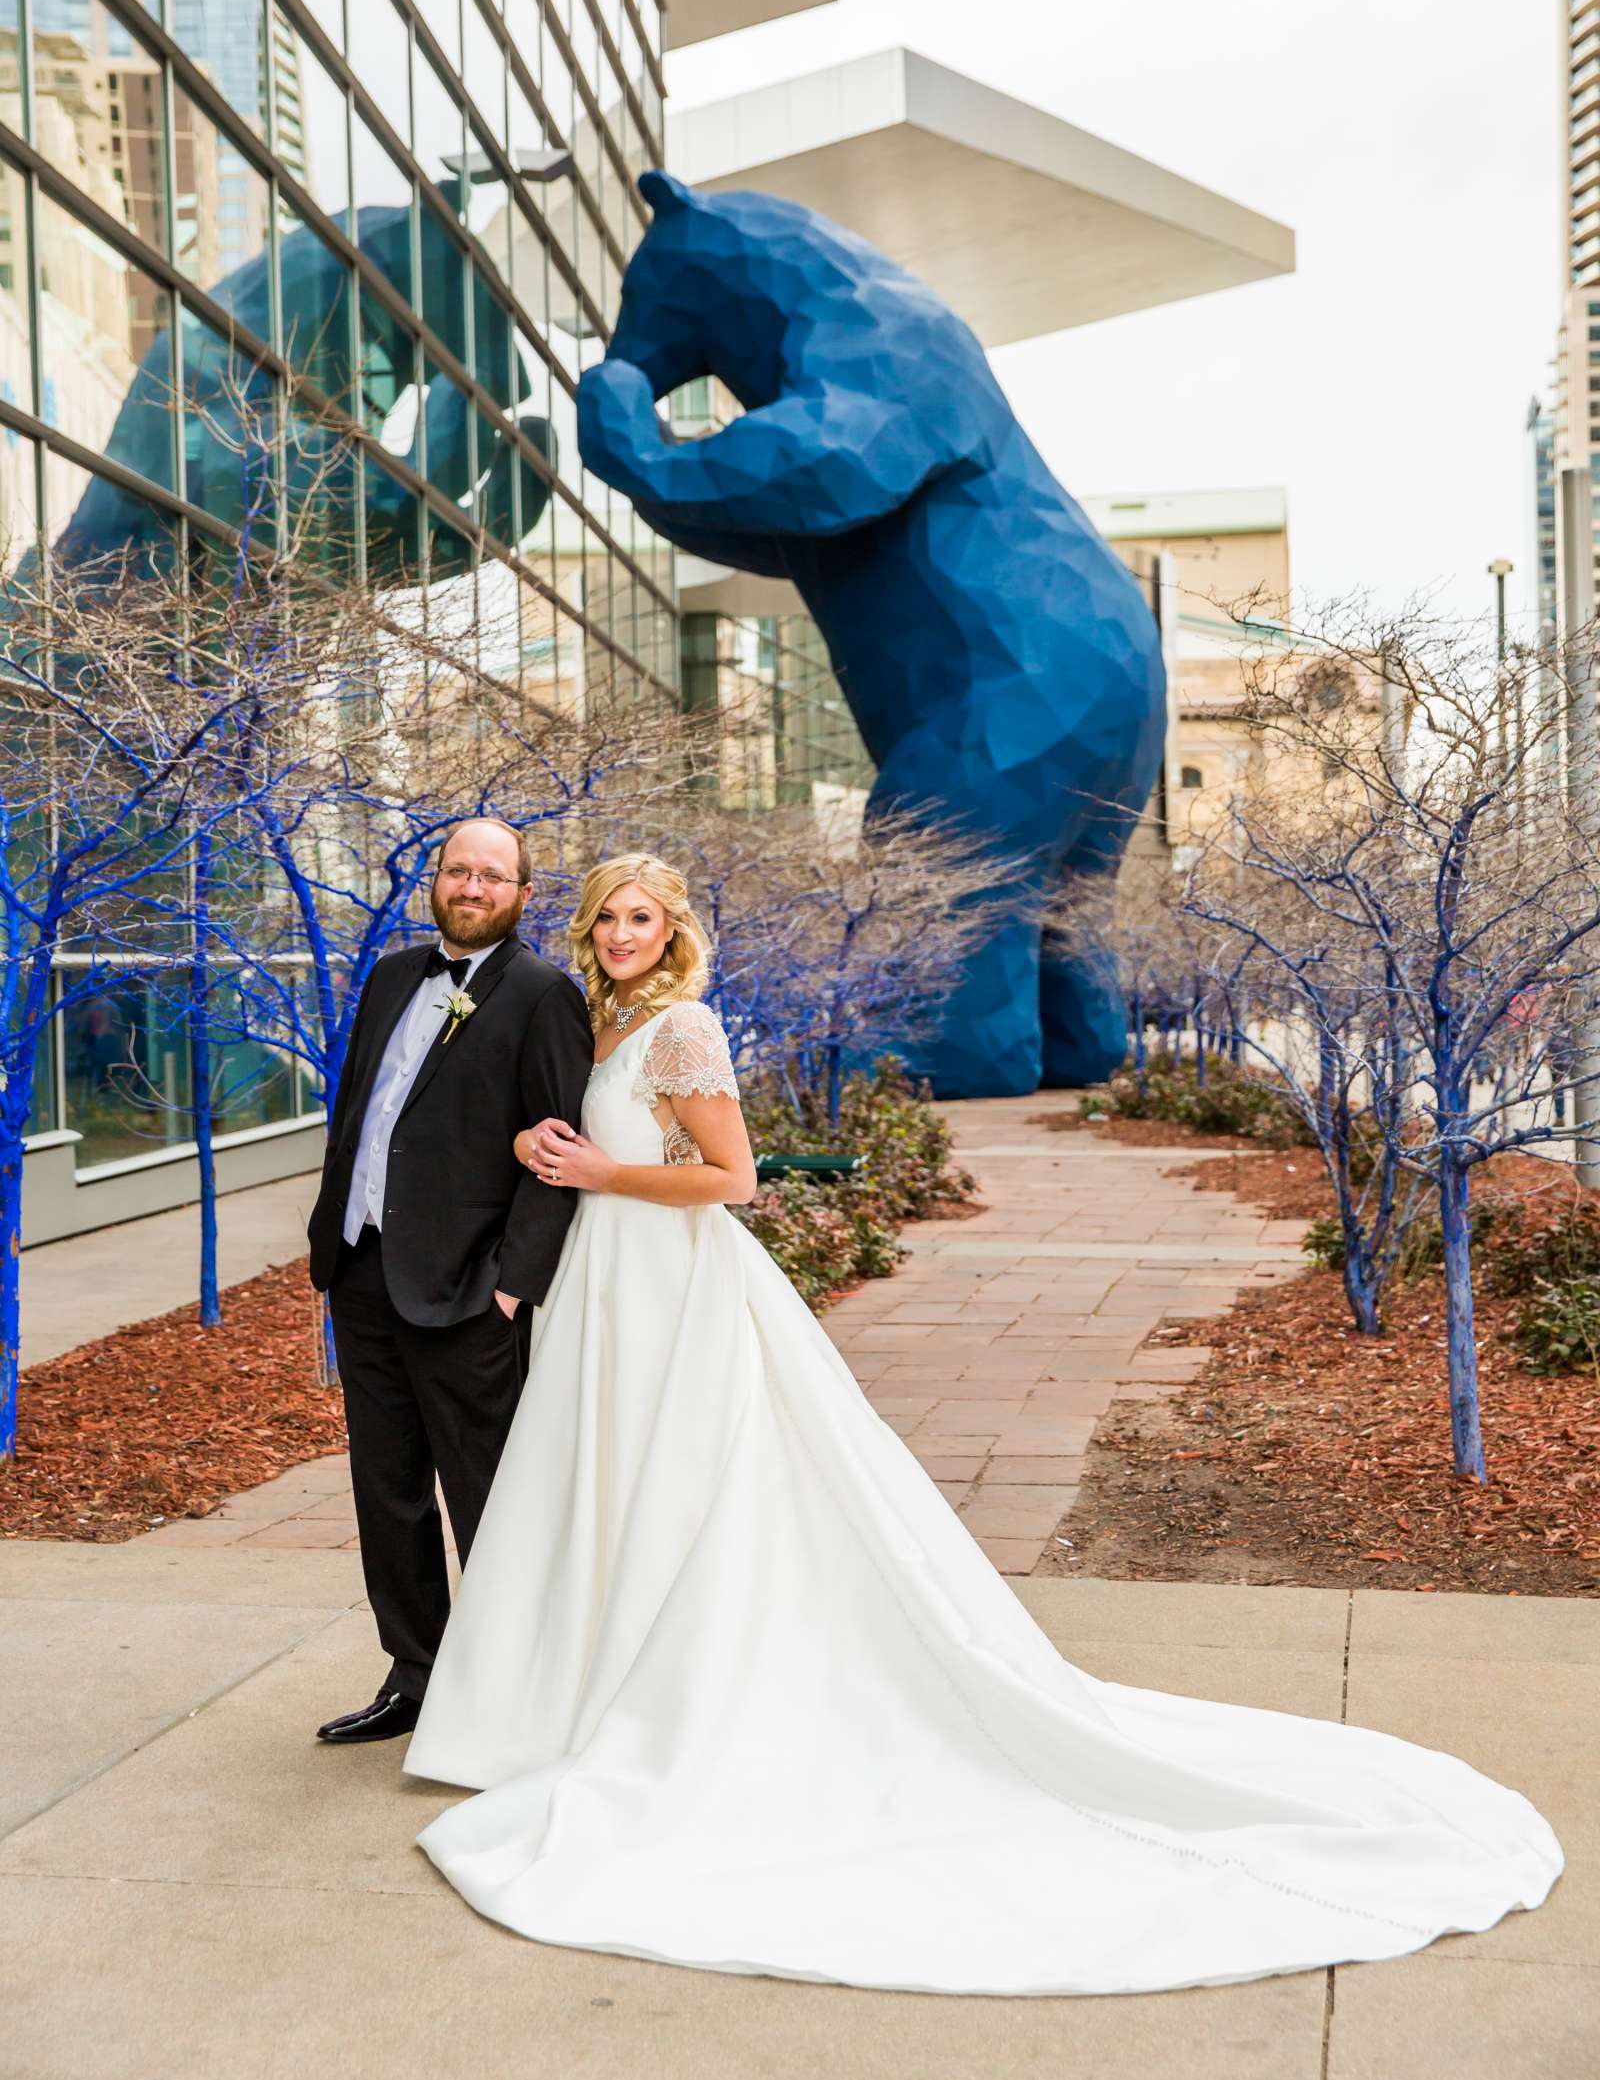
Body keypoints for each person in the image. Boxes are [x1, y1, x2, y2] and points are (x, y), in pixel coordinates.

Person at [402, 853, 1562, 1995]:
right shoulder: (595, 1025)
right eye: (607, 916)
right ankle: (587, 1692)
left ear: (673, 930)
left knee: (684, 1486)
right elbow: (582, 1149)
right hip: (603, 1283)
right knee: (602, 1486)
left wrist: (602, 1172)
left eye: (640, 918)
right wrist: (547, 1156)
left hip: (670, 1282)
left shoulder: (685, 1029)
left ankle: (669, 1706)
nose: (618, 935)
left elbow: (734, 1179)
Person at [305, 817, 592, 1746]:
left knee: (488, 1495)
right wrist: (329, 1241)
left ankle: (514, 1690)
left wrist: (516, 1285)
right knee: (385, 1490)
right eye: (458, 870)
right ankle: (417, 1678)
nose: (472, 887)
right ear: (436, 879)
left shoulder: (546, 995)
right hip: (361, 1272)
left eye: (492, 875)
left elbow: (562, 1152)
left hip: (468, 1289)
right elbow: (360, 1113)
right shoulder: (393, 974)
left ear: (522, 891)